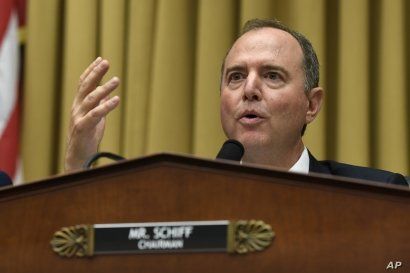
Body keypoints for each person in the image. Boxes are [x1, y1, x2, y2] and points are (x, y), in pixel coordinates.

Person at [65, 18, 408, 186]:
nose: (250, 89)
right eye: (236, 76)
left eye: (272, 75)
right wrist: (79, 162)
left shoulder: (373, 193)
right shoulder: (181, 202)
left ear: (312, 104)